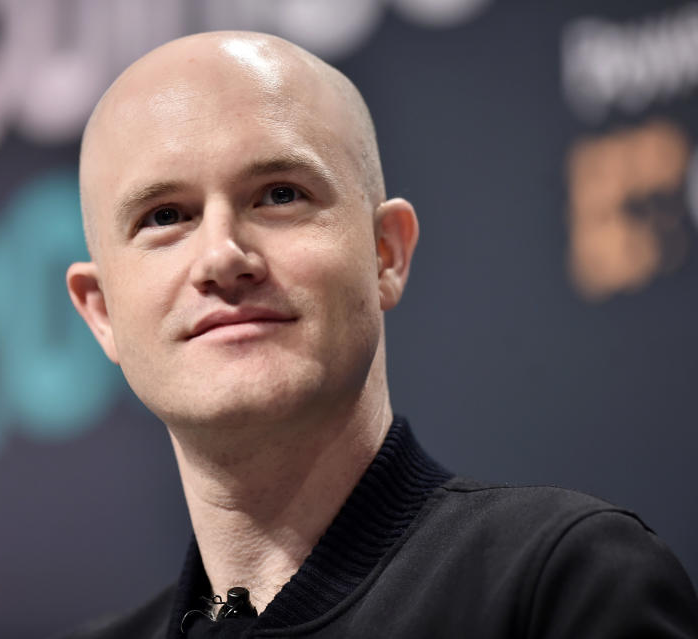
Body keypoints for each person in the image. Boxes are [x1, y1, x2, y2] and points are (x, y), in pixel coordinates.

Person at [64, 30, 698, 638]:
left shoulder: (560, 584)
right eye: (165, 216)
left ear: (385, 253)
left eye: (279, 195)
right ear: (102, 313)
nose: (223, 256)